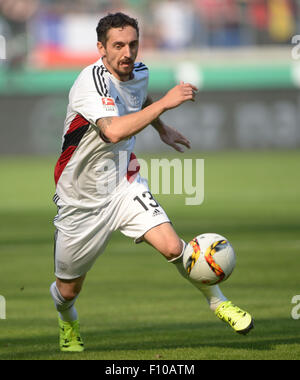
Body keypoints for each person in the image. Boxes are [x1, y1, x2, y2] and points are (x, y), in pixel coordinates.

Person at [50, 12, 253, 352]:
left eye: (132, 44)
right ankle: (67, 318)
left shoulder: (139, 73)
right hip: (80, 200)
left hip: (123, 183)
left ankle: (219, 303)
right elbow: (112, 131)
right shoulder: (90, 83)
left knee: (174, 248)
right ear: (101, 48)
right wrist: (165, 105)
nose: (127, 53)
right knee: (68, 290)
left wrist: (162, 128)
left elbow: (137, 98)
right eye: (117, 46)